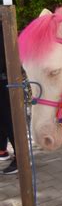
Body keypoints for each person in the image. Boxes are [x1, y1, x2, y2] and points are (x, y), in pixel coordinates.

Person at [0, 23, 17, 174]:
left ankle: (20, 158)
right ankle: (2, 149)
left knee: (8, 119)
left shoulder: (4, 26)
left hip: (4, 81)